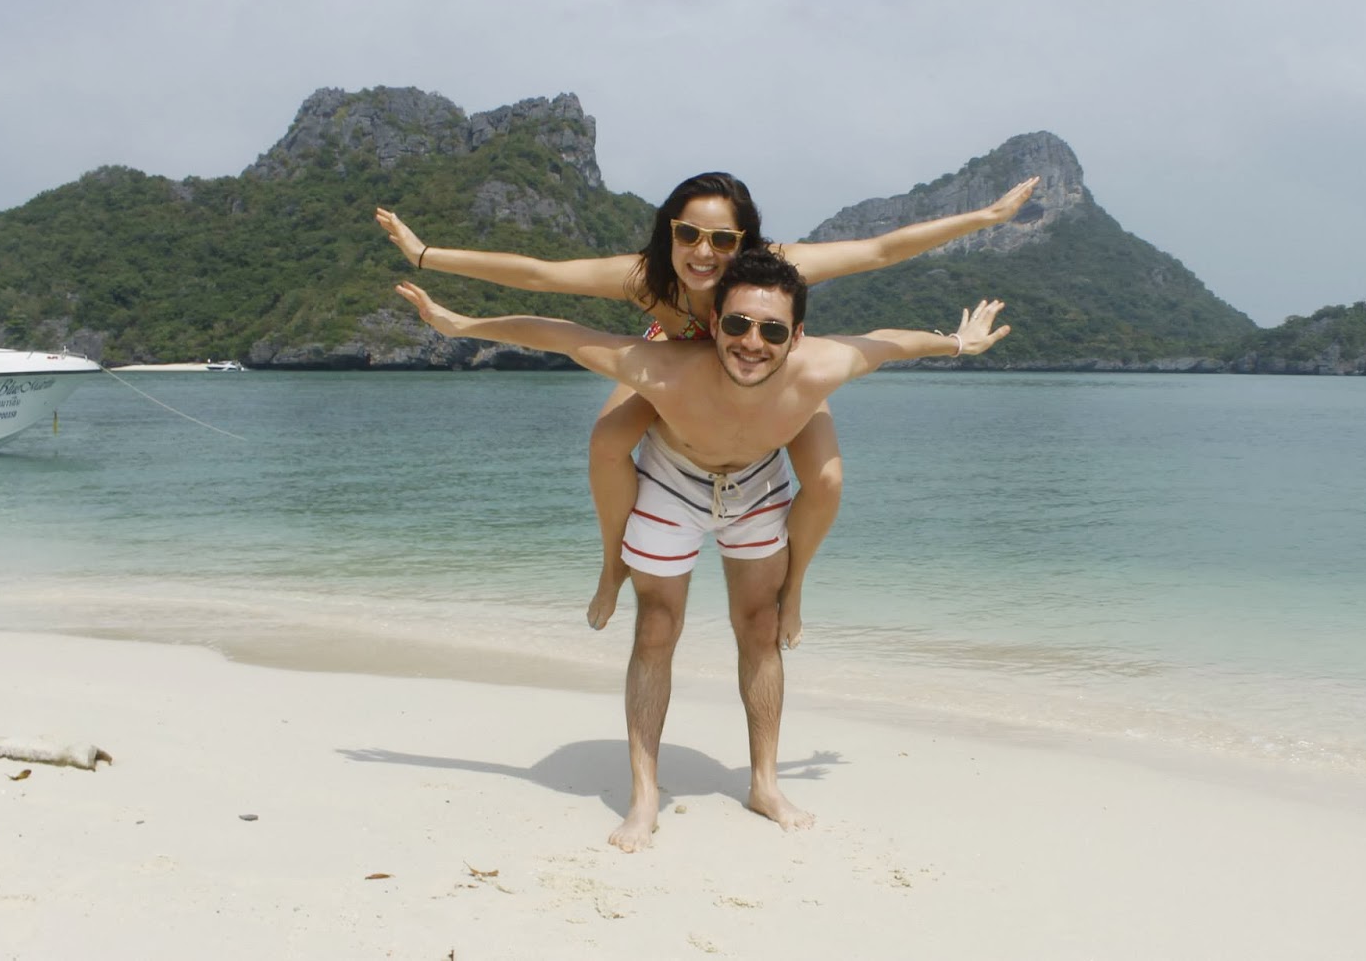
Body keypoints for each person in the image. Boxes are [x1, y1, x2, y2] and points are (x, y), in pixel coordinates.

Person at [394, 250, 1009, 852]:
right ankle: (644, 796)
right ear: (714, 323)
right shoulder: (665, 367)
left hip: (756, 484)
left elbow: (891, 342)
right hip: (671, 478)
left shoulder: (822, 366)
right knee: (656, 627)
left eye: (772, 330)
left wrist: (958, 343)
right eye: (738, 324)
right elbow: (565, 335)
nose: (752, 342)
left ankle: (764, 785)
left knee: (761, 626)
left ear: (796, 337)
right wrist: (461, 326)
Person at [376, 174, 1037, 646]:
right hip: (677, 365)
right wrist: (429, 260)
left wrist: (985, 219)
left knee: (829, 480)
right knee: (606, 443)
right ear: (670, 232)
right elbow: (541, 278)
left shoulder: (774, 270)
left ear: (744, 242)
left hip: (763, 368)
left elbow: (881, 251)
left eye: (722, 240)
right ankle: (613, 563)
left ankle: (793, 589)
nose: (703, 252)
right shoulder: (647, 277)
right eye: (689, 233)